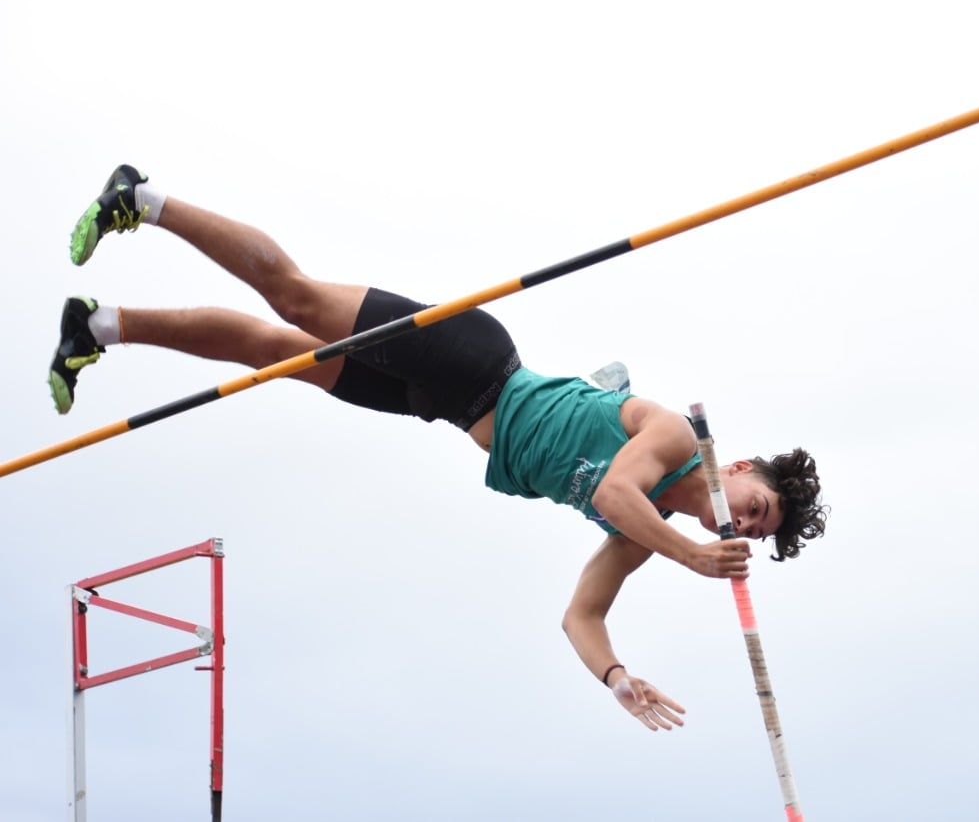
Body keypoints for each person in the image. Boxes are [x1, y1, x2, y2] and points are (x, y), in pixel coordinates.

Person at [50, 165, 829, 731]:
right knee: (295, 298)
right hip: (475, 361)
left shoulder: (644, 536)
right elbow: (612, 494)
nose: (741, 526)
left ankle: (99, 325)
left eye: (752, 531)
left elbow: (579, 617)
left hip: (447, 407)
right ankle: (142, 198)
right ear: (736, 465)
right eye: (755, 507)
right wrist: (691, 559)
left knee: (270, 354)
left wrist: (618, 679)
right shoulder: (673, 438)